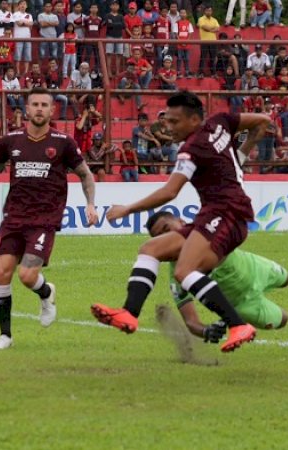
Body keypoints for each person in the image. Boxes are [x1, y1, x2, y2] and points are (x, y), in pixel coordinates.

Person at [91, 91, 273, 353]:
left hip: (227, 213)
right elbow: (262, 121)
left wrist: (127, 209)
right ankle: (129, 313)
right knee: (150, 249)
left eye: (175, 122)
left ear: (194, 120)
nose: (168, 127)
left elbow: (169, 192)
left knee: (184, 271)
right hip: (215, 213)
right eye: (167, 121)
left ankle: (238, 325)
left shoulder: (190, 150)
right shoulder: (221, 121)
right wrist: (243, 150)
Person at [0, 86, 98, 350]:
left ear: (52, 110)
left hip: (44, 219)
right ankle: (5, 336)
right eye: (35, 104)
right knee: (2, 272)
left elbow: (85, 174)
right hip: (13, 217)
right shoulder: (11, 140)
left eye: (44, 105)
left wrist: (90, 205)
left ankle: (46, 292)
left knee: (27, 276)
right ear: (26, 109)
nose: (39, 109)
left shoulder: (63, 142)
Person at [148, 211, 288, 341]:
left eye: (167, 229)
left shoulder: (205, 230)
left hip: (257, 267)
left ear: (181, 222)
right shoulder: (178, 274)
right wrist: (206, 331)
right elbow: (191, 321)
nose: (166, 237)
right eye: (160, 237)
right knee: (284, 320)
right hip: (243, 304)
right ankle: (235, 316)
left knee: (287, 280)